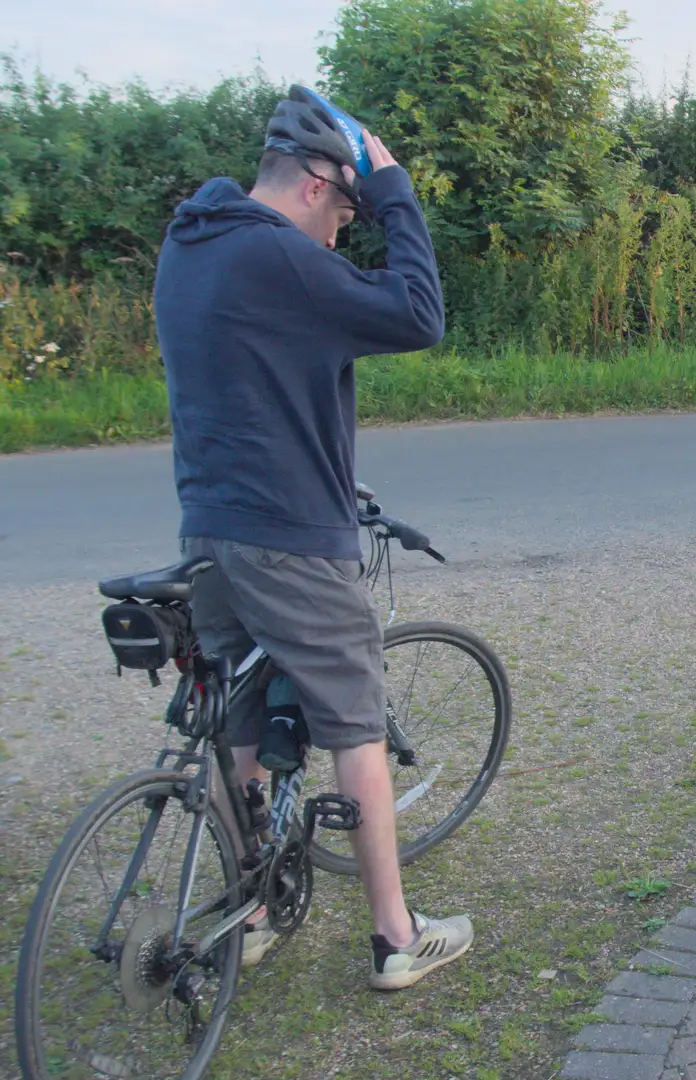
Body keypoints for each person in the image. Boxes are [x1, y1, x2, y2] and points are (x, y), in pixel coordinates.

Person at [153, 86, 472, 990]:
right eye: (345, 208)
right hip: (289, 541)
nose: (343, 229)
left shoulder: (192, 244)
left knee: (240, 721)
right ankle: (397, 936)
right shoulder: (280, 256)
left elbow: (256, 383)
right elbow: (418, 315)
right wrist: (396, 191)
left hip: (210, 528)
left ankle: (250, 910)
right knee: (354, 721)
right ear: (316, 184)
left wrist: (330, 474)